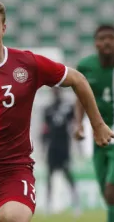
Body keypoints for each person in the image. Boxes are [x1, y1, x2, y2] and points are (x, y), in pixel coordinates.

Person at [0, 0, 114, 222]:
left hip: (14, 168)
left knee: (15, 218)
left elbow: (78, 79)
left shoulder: (27, 64)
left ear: (4, 29)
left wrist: (98, 125)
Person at [74, 24, 114, 222]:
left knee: (112, 191)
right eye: (102, 38)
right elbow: (81, 97)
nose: (107, 41)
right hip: (100, 140)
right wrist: (79, 124)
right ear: (95, 43)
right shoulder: (85, 67)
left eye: (111, 38)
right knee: (109, 195)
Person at [41, 87, 79, 215]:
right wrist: (43, 148)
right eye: (54, 91)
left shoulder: (68, 107)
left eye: (57, 90)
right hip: (52, 147)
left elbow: (75, 124)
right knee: (49, 176)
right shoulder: (48, 109)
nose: (56, 92)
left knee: (68, 174)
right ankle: (48, 204)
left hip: (64, 146)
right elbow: (44, 130)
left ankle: (76, 203)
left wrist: (78, 145)